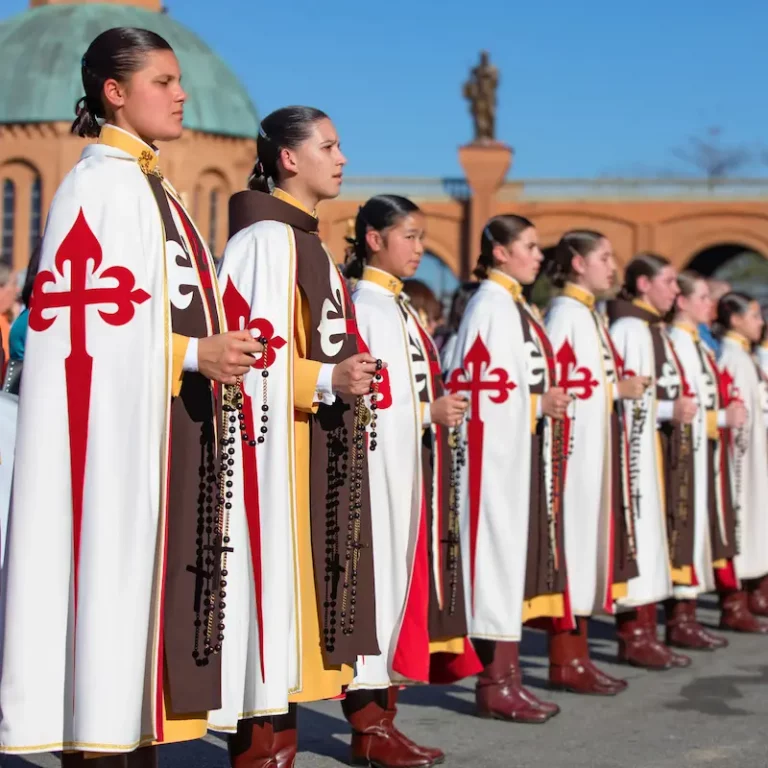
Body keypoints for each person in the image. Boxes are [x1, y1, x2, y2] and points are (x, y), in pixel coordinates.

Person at [0, 28, 263, 764]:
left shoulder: (150, 185)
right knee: (109, 609)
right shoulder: (99, 186)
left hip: (156, 429)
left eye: (181, 80)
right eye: (164, 81)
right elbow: (75, 340)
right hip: (109, 450)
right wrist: (191, 352)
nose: (183, 93)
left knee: (140, 622)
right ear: (113, 93)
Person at [213, 106, 380, 767]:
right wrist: (325, 378)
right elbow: (248, 358)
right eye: (329, 146)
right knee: (271, 596)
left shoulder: (304, 240)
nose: (342, 159)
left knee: (300, 605)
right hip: (273, 456)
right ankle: (261, 750)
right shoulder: (264, 242)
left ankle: (277, 742)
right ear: (288, 157)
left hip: (310, 448)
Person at [342, 194, 478, 767]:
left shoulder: (396, 305)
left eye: (423, 237)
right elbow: (375, 400)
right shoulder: (367, 307)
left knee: (399, 589)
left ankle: (383, 724)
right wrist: (429, 414)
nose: (421, 248)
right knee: (379, 592)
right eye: (410, 236)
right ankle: (370, 729)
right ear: (374, 238)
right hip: (378, 471)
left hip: (407, 466)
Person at [445, 215, 570, 723]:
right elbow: (483, 388)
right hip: (494, 456)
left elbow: (513, 384)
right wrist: (537, 407)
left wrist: (539, 405)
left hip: (518, 451)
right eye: (530, 247)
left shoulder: (513, 304)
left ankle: (508, 678)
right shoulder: (491, 306)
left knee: (510, 560)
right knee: (495, 561)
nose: (539, 256)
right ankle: (495, 682)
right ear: (499, 251)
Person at [544, 231, 647, 694]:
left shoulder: (587, 312)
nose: (613, 266)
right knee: (574, 551)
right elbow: (561, 383)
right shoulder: (566, 314)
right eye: (604, 257)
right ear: (578, 263)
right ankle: (566, 658)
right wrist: (615, 390)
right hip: (574, 455)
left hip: (594, 453)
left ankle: (577, 655)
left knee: (587, 550)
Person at [607, 253, 697, 670]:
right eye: (668, 281)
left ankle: (648, 630)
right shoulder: (629, 327)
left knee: (653, 533)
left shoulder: (648, 326)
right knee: (638, 534)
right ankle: (635, 633)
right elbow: (629, 394)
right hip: (635, 448)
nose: (675, 291)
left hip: (654, 446)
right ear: (643, 284)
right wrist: (668, 411)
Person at [667, 273, 749, 644]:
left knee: (704, 528)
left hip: (708, 450)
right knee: (687, 528)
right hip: (688, 451)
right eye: (702, 297)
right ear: (682, 302)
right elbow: (683, 404)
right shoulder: (679, 344)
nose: (710, 306)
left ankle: (689, 615)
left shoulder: (697, 343)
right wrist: (719, 418)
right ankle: (679, 620)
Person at [716, 292, 768, 622]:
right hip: (740, 456)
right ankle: (735, 600)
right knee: (741, 520)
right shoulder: (732, 357)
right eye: (753, 315)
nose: (760, 322)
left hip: (753, 451)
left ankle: (752, 591)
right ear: (734, 319)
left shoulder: (744, 355)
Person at [699, 279, 731, 356]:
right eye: (727, 304)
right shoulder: (699, 332)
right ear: (714, 303)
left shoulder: (718, 330)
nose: (729, 309)